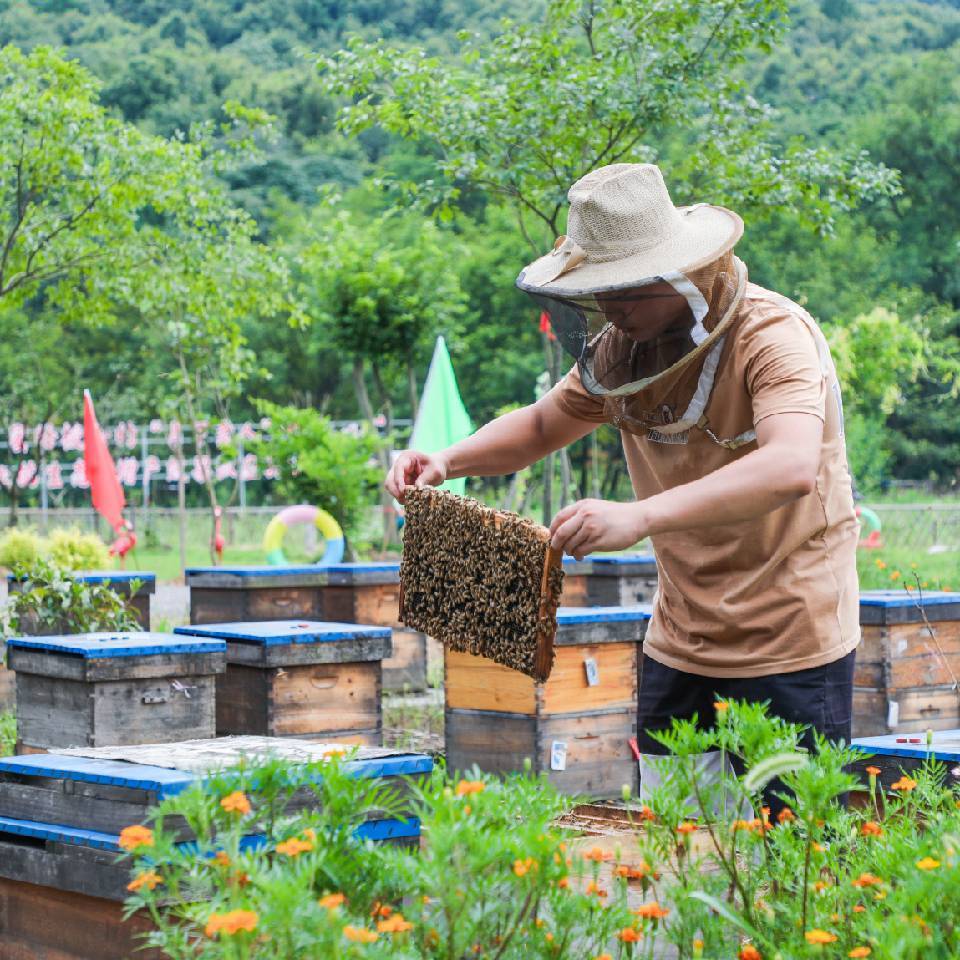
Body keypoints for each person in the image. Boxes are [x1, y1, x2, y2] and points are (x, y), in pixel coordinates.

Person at [386, 163, 859, 812]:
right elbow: (539, 425)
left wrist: (638, 517)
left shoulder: (772, 337)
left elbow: (790, 467)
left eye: (628, 289)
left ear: (679, 268)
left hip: (791, 643)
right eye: (602, 290)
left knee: (791, 870)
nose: (613, 308)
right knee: (676, 853)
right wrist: (444, 459)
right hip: (682, 644)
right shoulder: (619, 351)